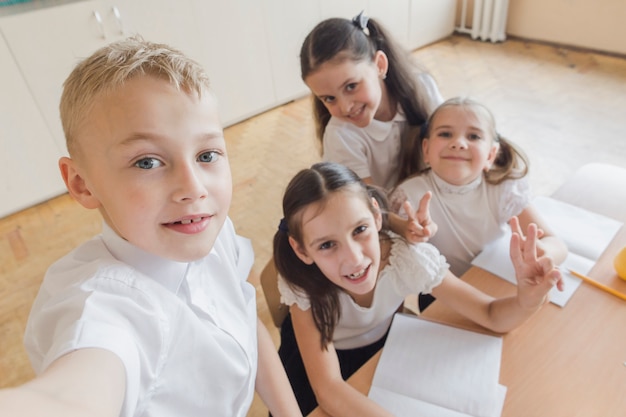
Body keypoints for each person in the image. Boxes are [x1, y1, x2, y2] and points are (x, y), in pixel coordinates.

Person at [0, 36, 301, 417]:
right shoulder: (100, 309)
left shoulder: (209, 232)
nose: (193, 189)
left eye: (207, 155)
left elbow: (243, 319)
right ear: (81, 182)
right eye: (147, 162)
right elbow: (71, 394)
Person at [273, 161, 564, 416]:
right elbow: (329, 391)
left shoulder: (406, 259)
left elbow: (491, 314)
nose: (354, 258)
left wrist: (526, 299)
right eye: (327, 245)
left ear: (376, 216)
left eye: (359, 230)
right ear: (301, 250)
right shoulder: (301, 281)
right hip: (318, 367)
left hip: (385, 350)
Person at [389, 97, 568, 309]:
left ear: (491, 155)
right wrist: (410, 233)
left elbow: (555, 244)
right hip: (444, 294)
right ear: (426, 150)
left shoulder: (505, 188)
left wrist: (542, 256)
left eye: (473, 136)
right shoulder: (408, 197)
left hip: (499, 281)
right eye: (445, 134)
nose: (458, 143)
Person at [300, 11, 443, 191]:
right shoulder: (341, 135)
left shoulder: (423, 87)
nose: (345, 107)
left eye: (351, 86)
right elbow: (369, 204)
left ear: (380, 65)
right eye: (329, 98)